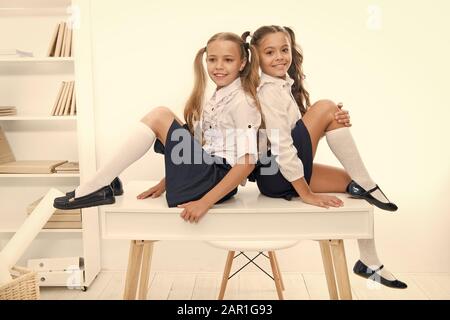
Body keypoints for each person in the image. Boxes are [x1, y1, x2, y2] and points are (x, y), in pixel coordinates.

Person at [245, 25, 406, 289]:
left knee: (352, 182)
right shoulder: (268, 90)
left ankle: (369, 262)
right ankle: (368, 184)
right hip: (274, 174)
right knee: (325, 106)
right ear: (257, 58)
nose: (280, 57)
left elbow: (299, 138)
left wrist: (331, 122)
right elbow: (284, 147)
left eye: (284, 50)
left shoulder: (283, 86)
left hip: (280, 175)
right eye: (270, 52)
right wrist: (306, 194)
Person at [54, 32, 262, 224]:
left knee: (161, 115)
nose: (218, 66)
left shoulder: (242, 102)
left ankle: (98, 184)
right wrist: (165, 182)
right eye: (212, 59)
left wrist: (204, 203)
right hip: (208, 172)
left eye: (228, 60)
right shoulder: (219, 96)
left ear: (242, 63)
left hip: (216, 180)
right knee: (167, 116)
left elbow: (247, 163)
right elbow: (202, 147)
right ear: (205, 60)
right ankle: (103, 183)